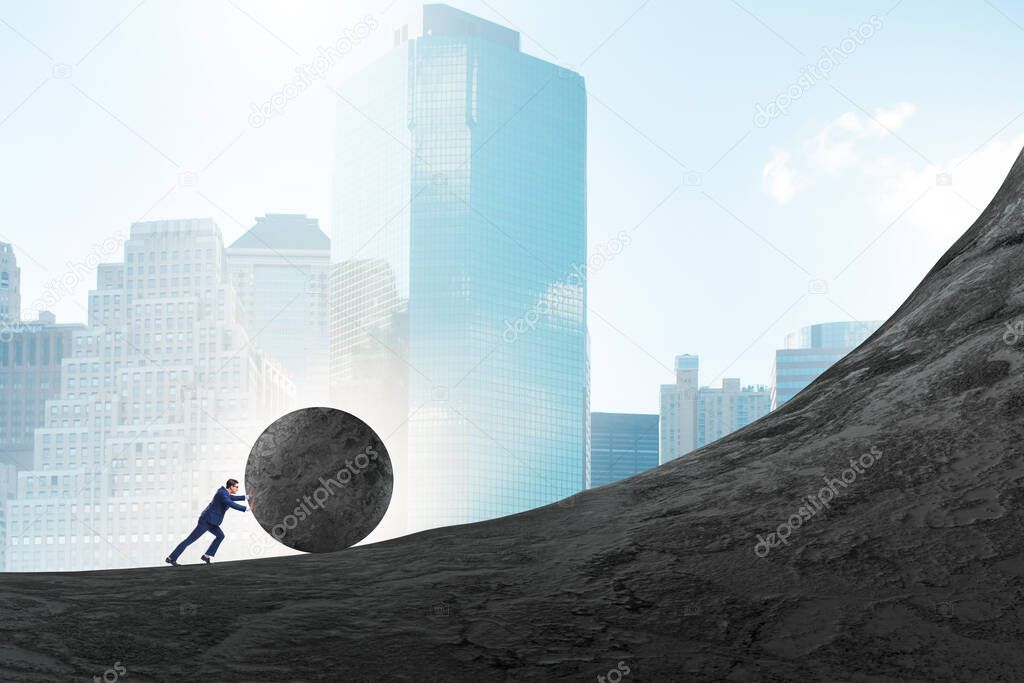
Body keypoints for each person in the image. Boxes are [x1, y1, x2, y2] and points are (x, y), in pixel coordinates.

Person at [165, 478, 252, 565]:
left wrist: (246, 497)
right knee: (189, 540)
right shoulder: (222, 494)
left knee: (220, 536)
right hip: (206, 521)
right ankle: (171, 558)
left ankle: (206, 556)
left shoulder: (225, 493)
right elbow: (230, 502)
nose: (237, 489)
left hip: (212, 522)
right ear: (231, 487)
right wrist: (245, 509)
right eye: (236, 487)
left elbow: (232, 498)